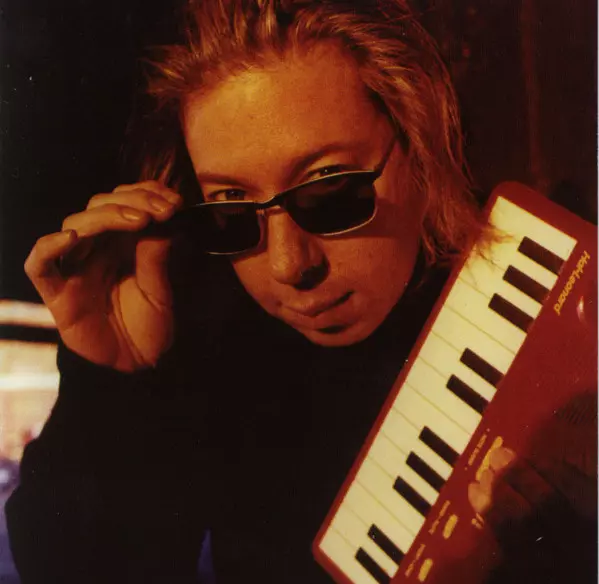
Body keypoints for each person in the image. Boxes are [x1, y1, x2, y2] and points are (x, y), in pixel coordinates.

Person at [5, 1, 596, 583]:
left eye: (329, 188)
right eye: (232, 208)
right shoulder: (212, 345)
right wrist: (109, 386)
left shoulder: (565, 285)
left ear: (421, 146)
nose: (289, 265)